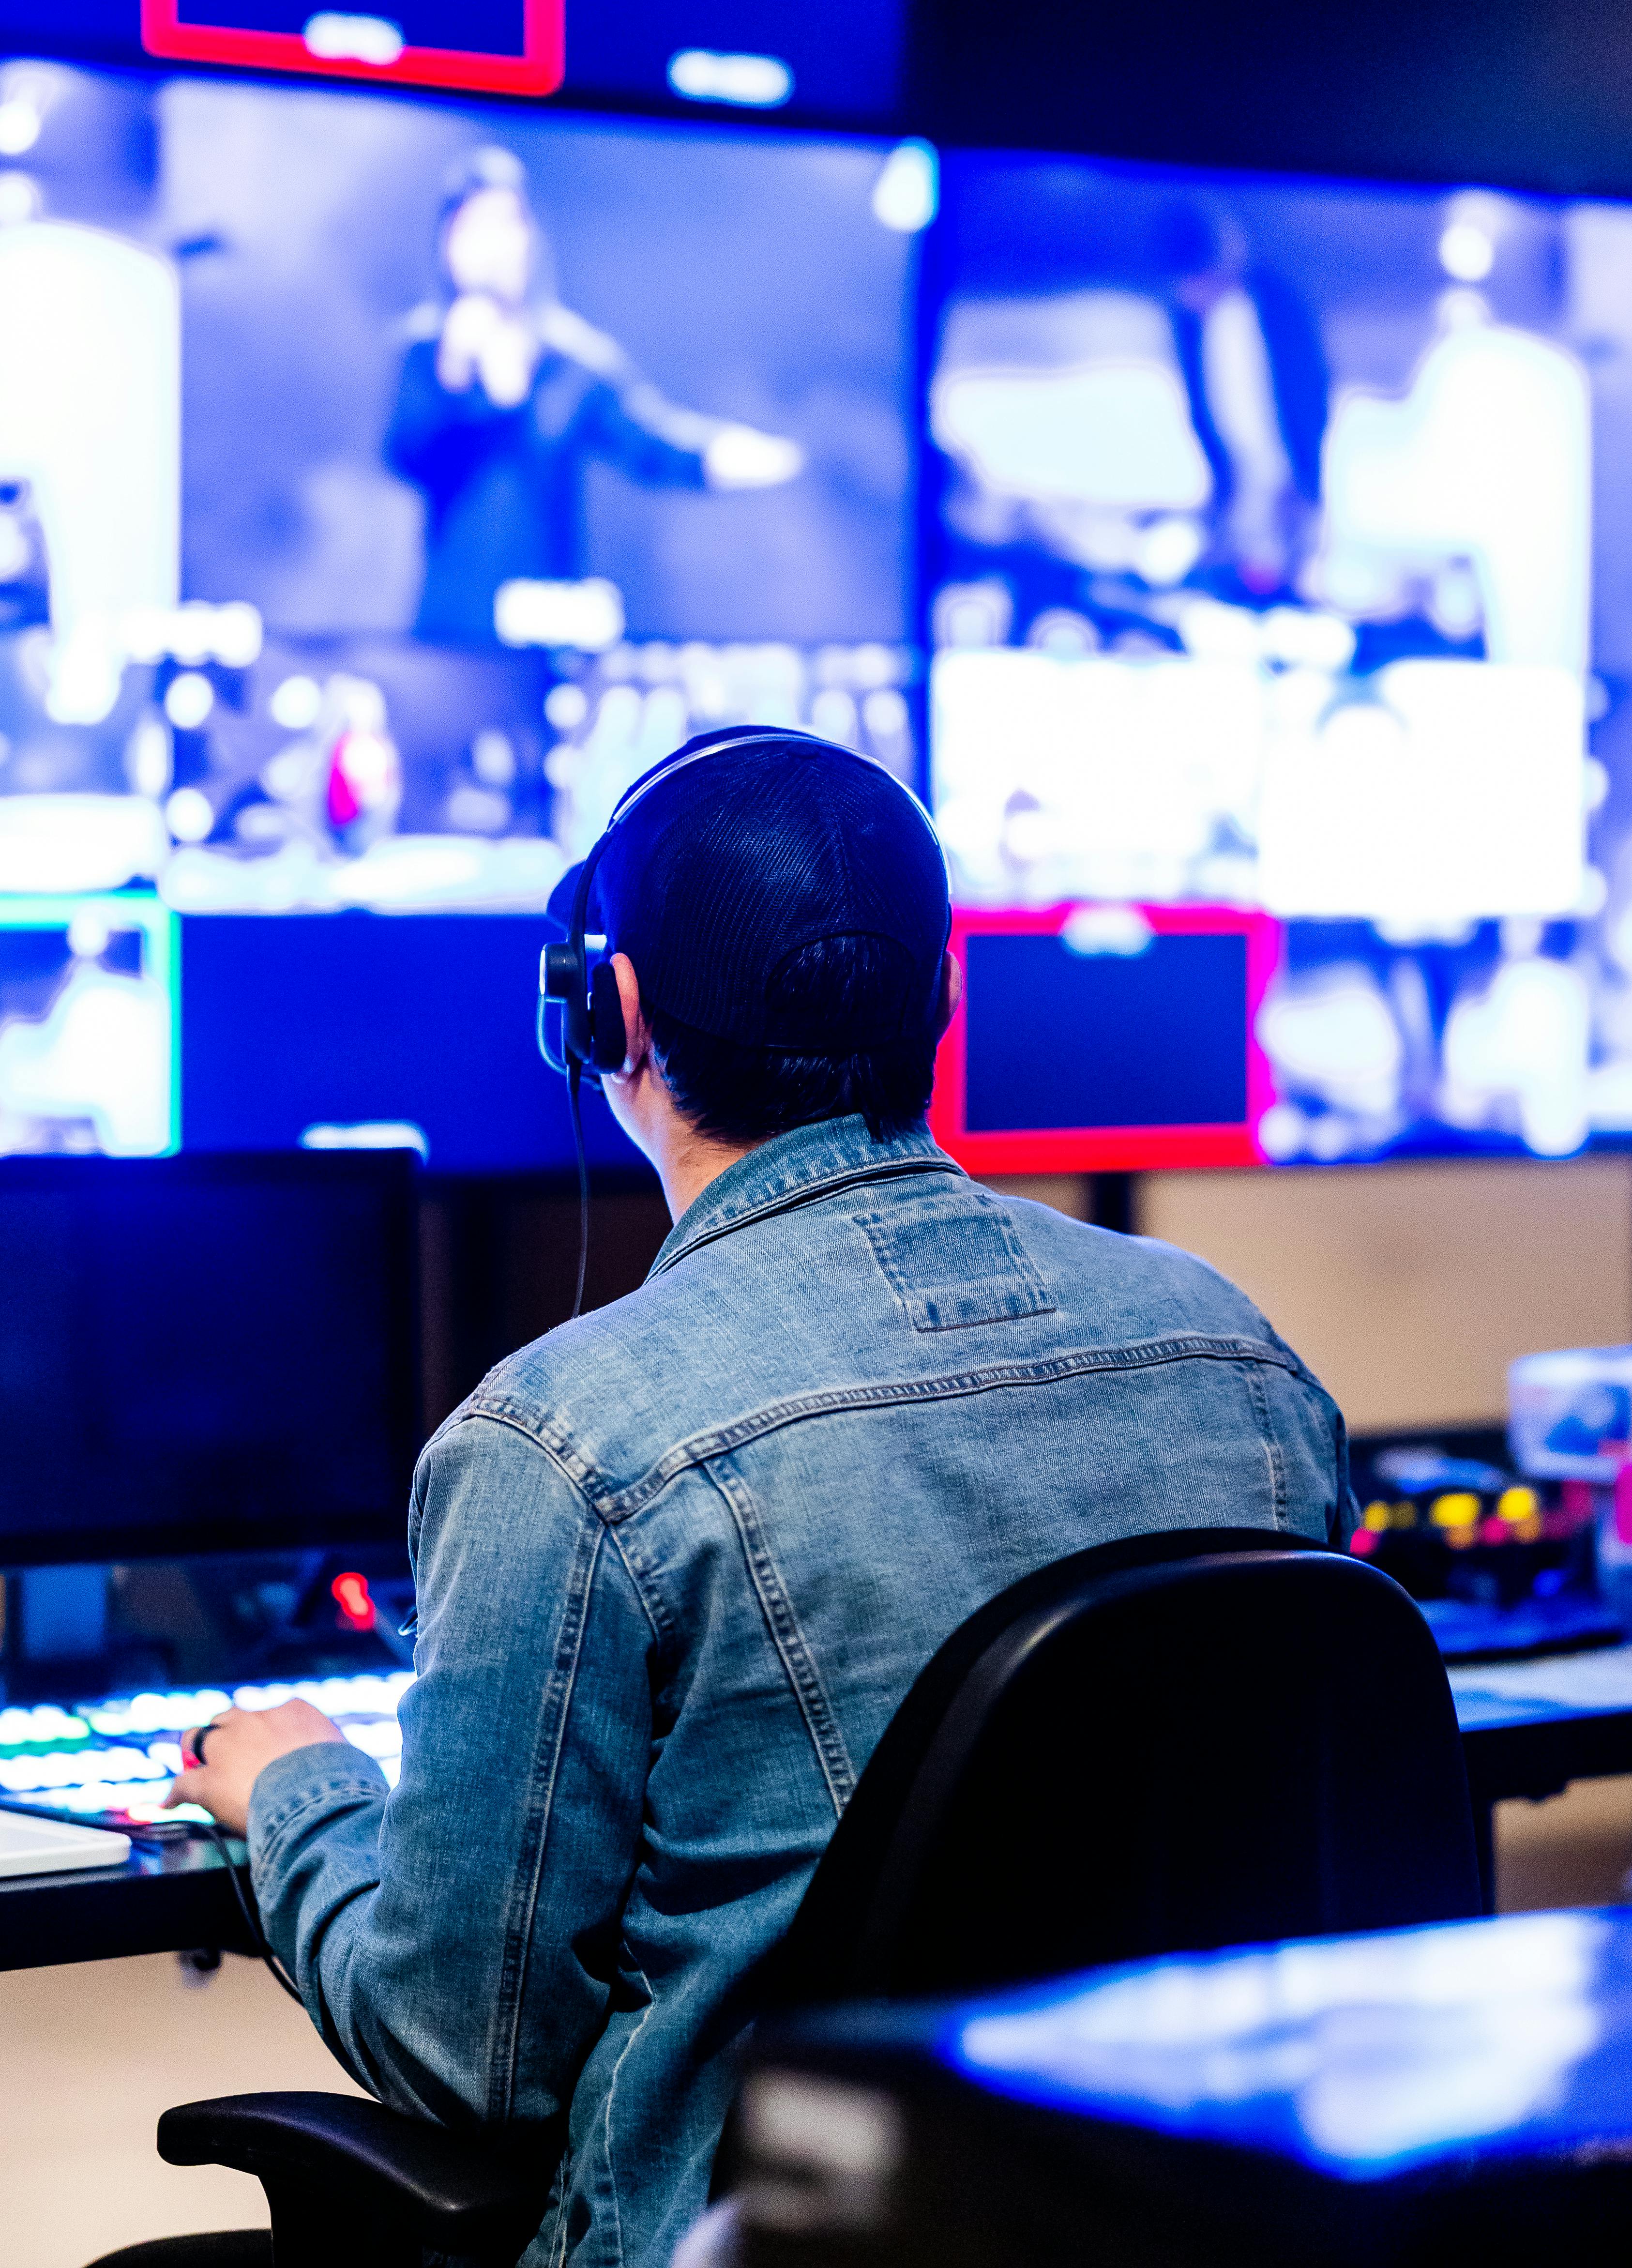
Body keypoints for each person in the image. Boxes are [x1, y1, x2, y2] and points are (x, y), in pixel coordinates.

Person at [173, 728, 1355, 2268]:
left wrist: (298, 1794)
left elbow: (464, 2052)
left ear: (607, 1013)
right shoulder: (1238, 1352)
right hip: (1174, 2233)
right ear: (945, 998)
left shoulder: (561, 1439)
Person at [387, 148, 804, 651]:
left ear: (530, 238)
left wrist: (734, 454)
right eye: (473, 228)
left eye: (505, 225)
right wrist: (456, 371)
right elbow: (404, 457)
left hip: (544, 625)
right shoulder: (426, 352)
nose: (492, 246)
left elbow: (652, 442)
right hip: (449, 628)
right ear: (447, 244)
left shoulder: (572, 361)